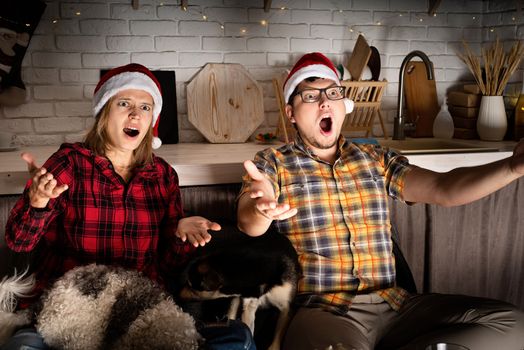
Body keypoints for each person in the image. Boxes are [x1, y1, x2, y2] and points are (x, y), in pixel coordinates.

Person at [237, 52, 524, 350]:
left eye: (332, 92)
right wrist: (261, 208)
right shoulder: (273, 162)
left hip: (396, 306)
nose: (324, 102)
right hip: (325, 311)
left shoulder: (375, 158)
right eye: (309, 96)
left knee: (512, 324)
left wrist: (512, 167)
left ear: (342, 106)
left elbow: (444, 187)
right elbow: (249, 225)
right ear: (290, 112)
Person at [3, 63, 254, 350]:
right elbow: (19, 242)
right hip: (68, 308)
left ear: (152, 119)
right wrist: (37, 203)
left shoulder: (162, 175)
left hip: (136, 310)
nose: (136, 114)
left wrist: (180, 234)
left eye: (145, 107)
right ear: (104, 112)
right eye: (124, 103)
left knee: (239, 339)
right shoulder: (69, 163)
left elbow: (169, 267)